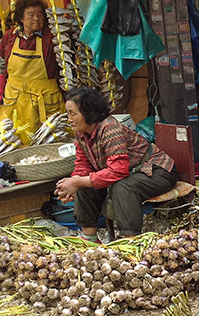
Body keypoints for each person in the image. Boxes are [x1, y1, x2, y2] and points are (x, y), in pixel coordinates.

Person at [55, 87, 179, 240]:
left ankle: (131, 240)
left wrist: (78, 181)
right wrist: (73, 184)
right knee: (82, 184)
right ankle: (90, 239)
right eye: (68, 113)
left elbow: (119, 170)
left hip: (156, 170)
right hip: (129, 173)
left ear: (88, 113)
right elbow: (82, 164)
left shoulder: (110, 129)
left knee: (122, 187)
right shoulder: (80, 134)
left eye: (73, 113)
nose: (69, 119)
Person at [0, 0, 63, 143]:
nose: (36, 18)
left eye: (40, 14)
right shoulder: (9, 37)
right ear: (21, 17)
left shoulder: (52, 37)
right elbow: (2, 66)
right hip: (15, 100)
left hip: (45, 100)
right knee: (15, 143)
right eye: (31, 14)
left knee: (48, 143)